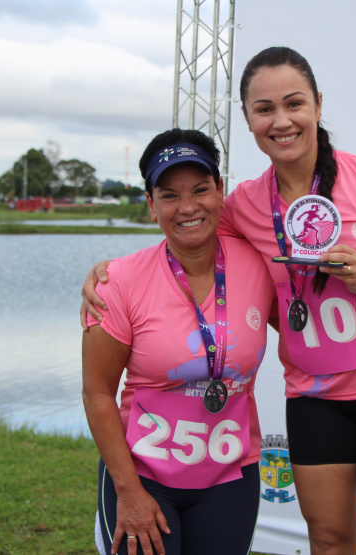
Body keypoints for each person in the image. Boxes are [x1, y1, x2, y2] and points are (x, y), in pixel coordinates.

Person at [83, 46, 356, 555]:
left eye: (294, 103)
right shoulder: (242, 206)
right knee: (329, 542)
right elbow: (187, 231)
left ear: (318, 105)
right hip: (316, 397)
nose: (281, 121)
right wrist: (108, 274)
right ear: (248, 119)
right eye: (264, 109)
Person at [82, 128, 275, 555]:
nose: (188, 207)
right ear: (151, 205)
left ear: (219, 191)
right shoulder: (119, 282)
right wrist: (128, 492)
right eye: (169, 196)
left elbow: (309, 317)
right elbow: (97, 393)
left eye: (200, 190)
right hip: (143, 476)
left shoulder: (260, 266)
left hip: (229, 476)